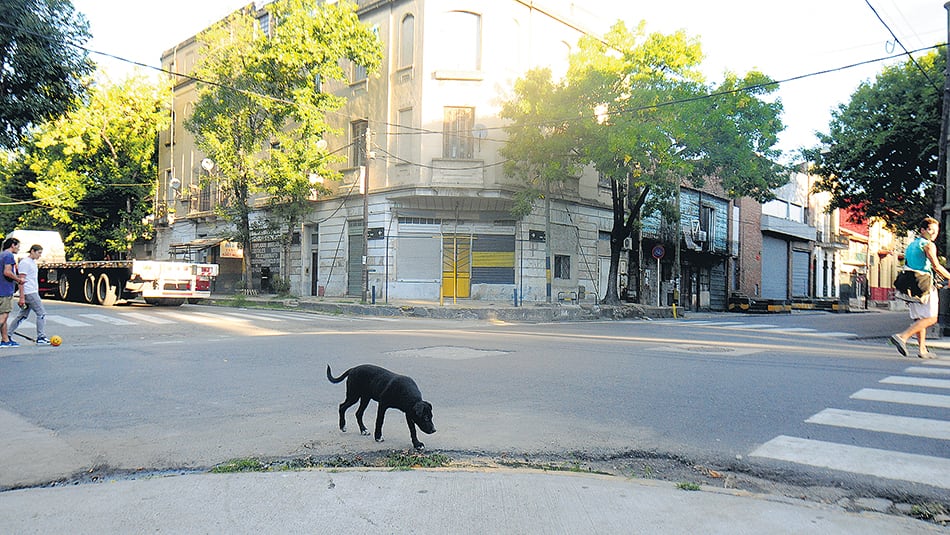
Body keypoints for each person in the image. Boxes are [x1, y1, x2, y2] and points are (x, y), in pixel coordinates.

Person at [889, 217, 950, 359]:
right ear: (922, 230)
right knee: (931, 318)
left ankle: (922, 350)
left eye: (936, 231)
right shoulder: (929, 245)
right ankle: (902, 336)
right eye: (930, 230)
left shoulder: (912, 244)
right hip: (924, 284)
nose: (934, 234)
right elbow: (936, 266)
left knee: (919, 318)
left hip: (910, 283)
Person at [9, 244, 50, 345]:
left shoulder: (32, 262)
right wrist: (22, 296)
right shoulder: (25, 263)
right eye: (38, 253)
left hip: (31, 291)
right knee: (41, 313)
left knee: (22, 315)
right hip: (29, 292)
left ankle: (8, 334)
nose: (40, 255)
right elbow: (21, 280)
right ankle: (41, 336)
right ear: (32, 251)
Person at [0, 237, 25, 347]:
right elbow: (7, 272)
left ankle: (5, 340)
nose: (18, 249)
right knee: (3, 317)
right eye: (18, 246)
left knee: (3, 318)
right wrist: (18, 280)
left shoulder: (1, 255)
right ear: (12, 245)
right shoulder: (9, 256)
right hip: (5, 290)